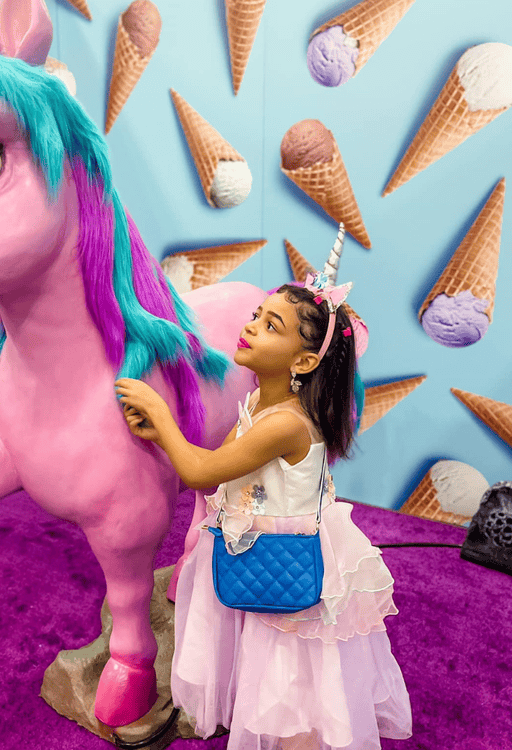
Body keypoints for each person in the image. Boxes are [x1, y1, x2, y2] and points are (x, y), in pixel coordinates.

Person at [115, 263, 412, 749]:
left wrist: (160, 415)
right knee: (266, 664)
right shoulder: (257, 407)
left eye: (272, 325)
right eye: (257, 314)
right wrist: (166, 438)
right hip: (258, 549)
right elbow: (219, 465)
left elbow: (197, 473)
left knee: (291, 684)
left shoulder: (286, 424)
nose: (251, 325)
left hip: (286, 559)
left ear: (303, 363)